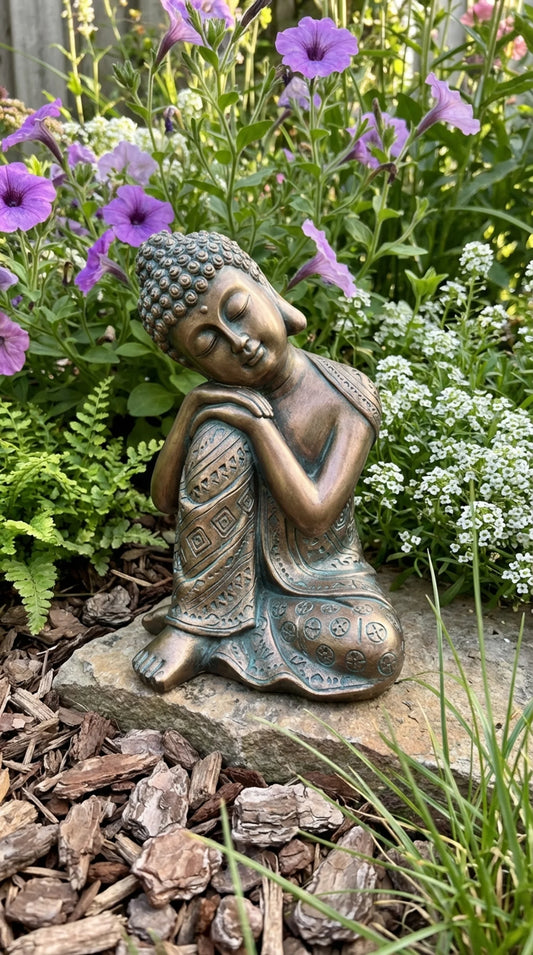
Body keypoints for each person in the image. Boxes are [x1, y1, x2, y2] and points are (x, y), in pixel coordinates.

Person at [132, 230, 404, 700]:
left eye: (237, 310)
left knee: (380, 648)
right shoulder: (222, 403)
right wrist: (192, 409)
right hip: (225, 580)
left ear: (265, 289)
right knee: (219, 433)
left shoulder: (347, 394)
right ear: (195, 364)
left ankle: (213, 628)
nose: (238, 342)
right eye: (208, 344)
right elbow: (162, 501)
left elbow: (315, 516)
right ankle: (198, 624)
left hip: (324, 579)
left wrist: (259, 428)